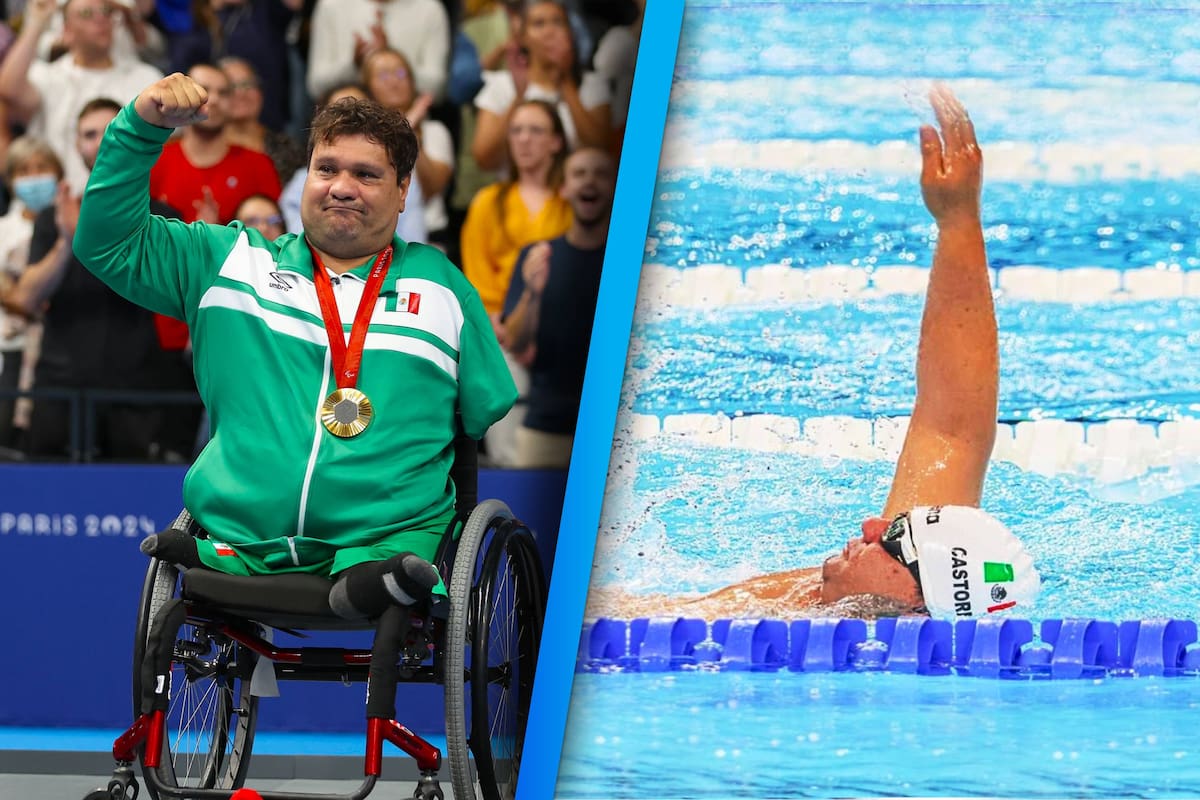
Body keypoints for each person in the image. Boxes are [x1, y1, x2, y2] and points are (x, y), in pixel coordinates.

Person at [588, 86, 1041, 621]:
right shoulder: (874, 590)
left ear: (919, 600)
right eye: (897, 526)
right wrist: (958, 220)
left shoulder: (782, 635)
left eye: (894, 540)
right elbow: (952, 428)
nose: (873, 526)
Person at [74, 73, 517, 618]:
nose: (341, 186)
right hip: (240, 542)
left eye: (366, 174)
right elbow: (107, 244)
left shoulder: (443, 288)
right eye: (326, 169)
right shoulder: (230, 263)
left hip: (384, 550)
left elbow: (486, 405)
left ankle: (370, 568)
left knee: (391, 566)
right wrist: (140, 127)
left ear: (404, 191)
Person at [5, 97, 182, 461]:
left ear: (131, 137)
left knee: (134, 493)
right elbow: (26, 299)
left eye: (109, 131)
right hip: (60, 385)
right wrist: (67, 241)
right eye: (89, 134)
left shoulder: (164, 217)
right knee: (48, 492)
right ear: (76, 145)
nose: (100, 141)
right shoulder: (54, 216)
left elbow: (177, 298)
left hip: (135, 387)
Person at [460, 98, 571, 466]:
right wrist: (497, 321)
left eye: (536, 130)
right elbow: (476, 274)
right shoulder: (488, 201)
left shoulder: (574, 202)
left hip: (561, 335)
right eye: (517, 131)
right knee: (503, 374)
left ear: (556, 141)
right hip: (504, 330)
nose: (524, 139)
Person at [502, 146, 613, 468]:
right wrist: (532, 293)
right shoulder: (538, 256)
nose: (589, 181)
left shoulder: (632, 261)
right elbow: (516, 341)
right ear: (564, 188)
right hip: (546, 426)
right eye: (579, 173)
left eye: (601, 174)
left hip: (612, 430)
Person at [0, 0, 163, 189]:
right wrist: (37, 22)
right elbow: (8, 89)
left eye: (106, 11)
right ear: (66, 31)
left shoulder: (145, 78)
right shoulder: (47, 76)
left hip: (124, 195)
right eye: (86, 13)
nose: (100, 19)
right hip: (59, 197)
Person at [471, 0, 611, 172]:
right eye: (539, 24)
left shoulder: (592, 84)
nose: (549, 31)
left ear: (570, 33)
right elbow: (484, 159)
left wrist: (566, 81)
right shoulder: (502, 85)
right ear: (522, 37)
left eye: (558, 22)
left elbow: (601, 148)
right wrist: (519, 97)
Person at [0, 136, 62, 449]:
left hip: (58, 352)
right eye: (24, 171)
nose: (34, 177)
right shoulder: (3, 230)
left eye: (42, 168)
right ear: (10, 180)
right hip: (9, 348)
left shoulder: (69, 225)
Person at [361, 47, 453, 245]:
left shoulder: (435, 131)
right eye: (384, 75)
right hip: (374, 240)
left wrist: (410, 134)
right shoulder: (363, 139)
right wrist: (406, 126)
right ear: (368, 89)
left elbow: (432, 188)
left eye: (401, 73)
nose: (394, 81)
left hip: (428, 242)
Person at [305, 0, 450, 103]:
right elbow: (315, 86)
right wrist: (353, 65)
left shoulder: (431, 9)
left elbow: (437, 90)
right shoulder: (330, 5)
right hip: (348, 124)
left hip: (411, 124)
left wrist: (389, 57)